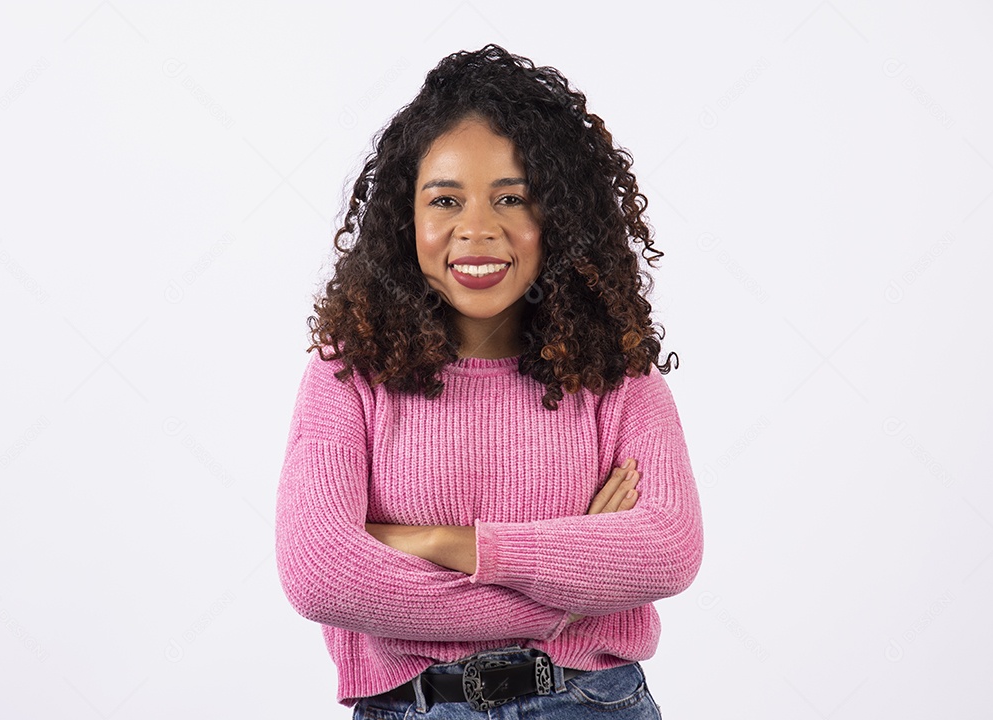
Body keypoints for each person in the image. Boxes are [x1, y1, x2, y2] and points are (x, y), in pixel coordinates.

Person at [275, 44, 704, 718]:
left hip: (588, 704)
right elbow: (322, 573)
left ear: (557, 221)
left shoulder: (613, 370)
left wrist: (443, 541)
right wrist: (572, 579)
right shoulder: (348, 371)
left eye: (513, 199)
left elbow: (669, 549)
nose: (476, 230)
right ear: (405, 219)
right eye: (445, 199)